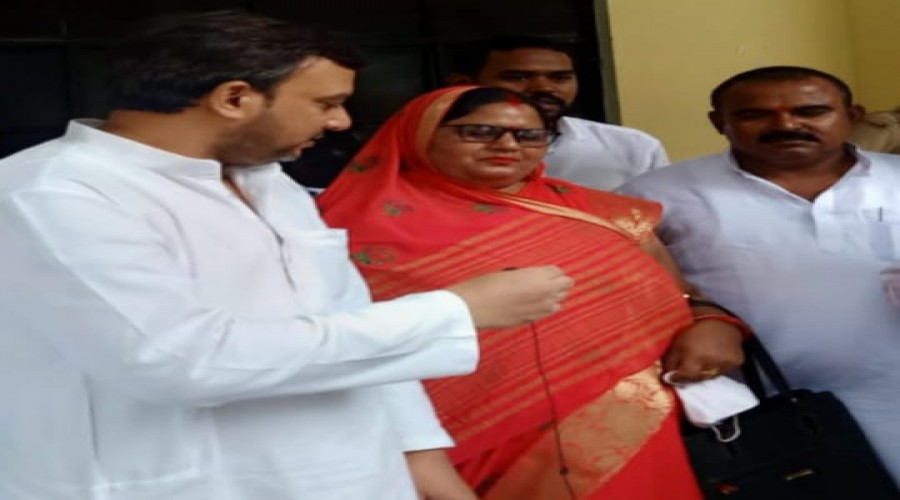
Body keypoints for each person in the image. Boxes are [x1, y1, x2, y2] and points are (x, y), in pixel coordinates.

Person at [0, 11, 576, 500]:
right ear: (234, 98)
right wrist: (453, 311)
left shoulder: (268, 182)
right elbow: (178, 360)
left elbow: (349, 321)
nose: (341, 122)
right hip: (188, 481)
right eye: (326, 103)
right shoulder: (53, 194)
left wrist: (421, 455)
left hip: (355, 473)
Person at [318, 86, 745, 499]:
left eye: (529, 135)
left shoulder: (597, 211)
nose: (507, 145)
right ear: (421, 134)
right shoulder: (352, 227)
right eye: (478, 131)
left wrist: (713, 323)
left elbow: (683, 294)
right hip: (467, 433)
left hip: (639, 415)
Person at [619, 66, 900, 481]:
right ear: (719, 122)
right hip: (759, 411)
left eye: (811, 111)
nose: (786, 124)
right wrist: (702, 315)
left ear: (852, 116)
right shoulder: (655, 196)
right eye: (755, 115)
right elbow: (619, 294)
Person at [447, 36, 669, 190]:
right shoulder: (438, 148)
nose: (544, 88)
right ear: (462, 84)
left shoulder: (633, 147)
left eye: (559, 78)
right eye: (519, 77)